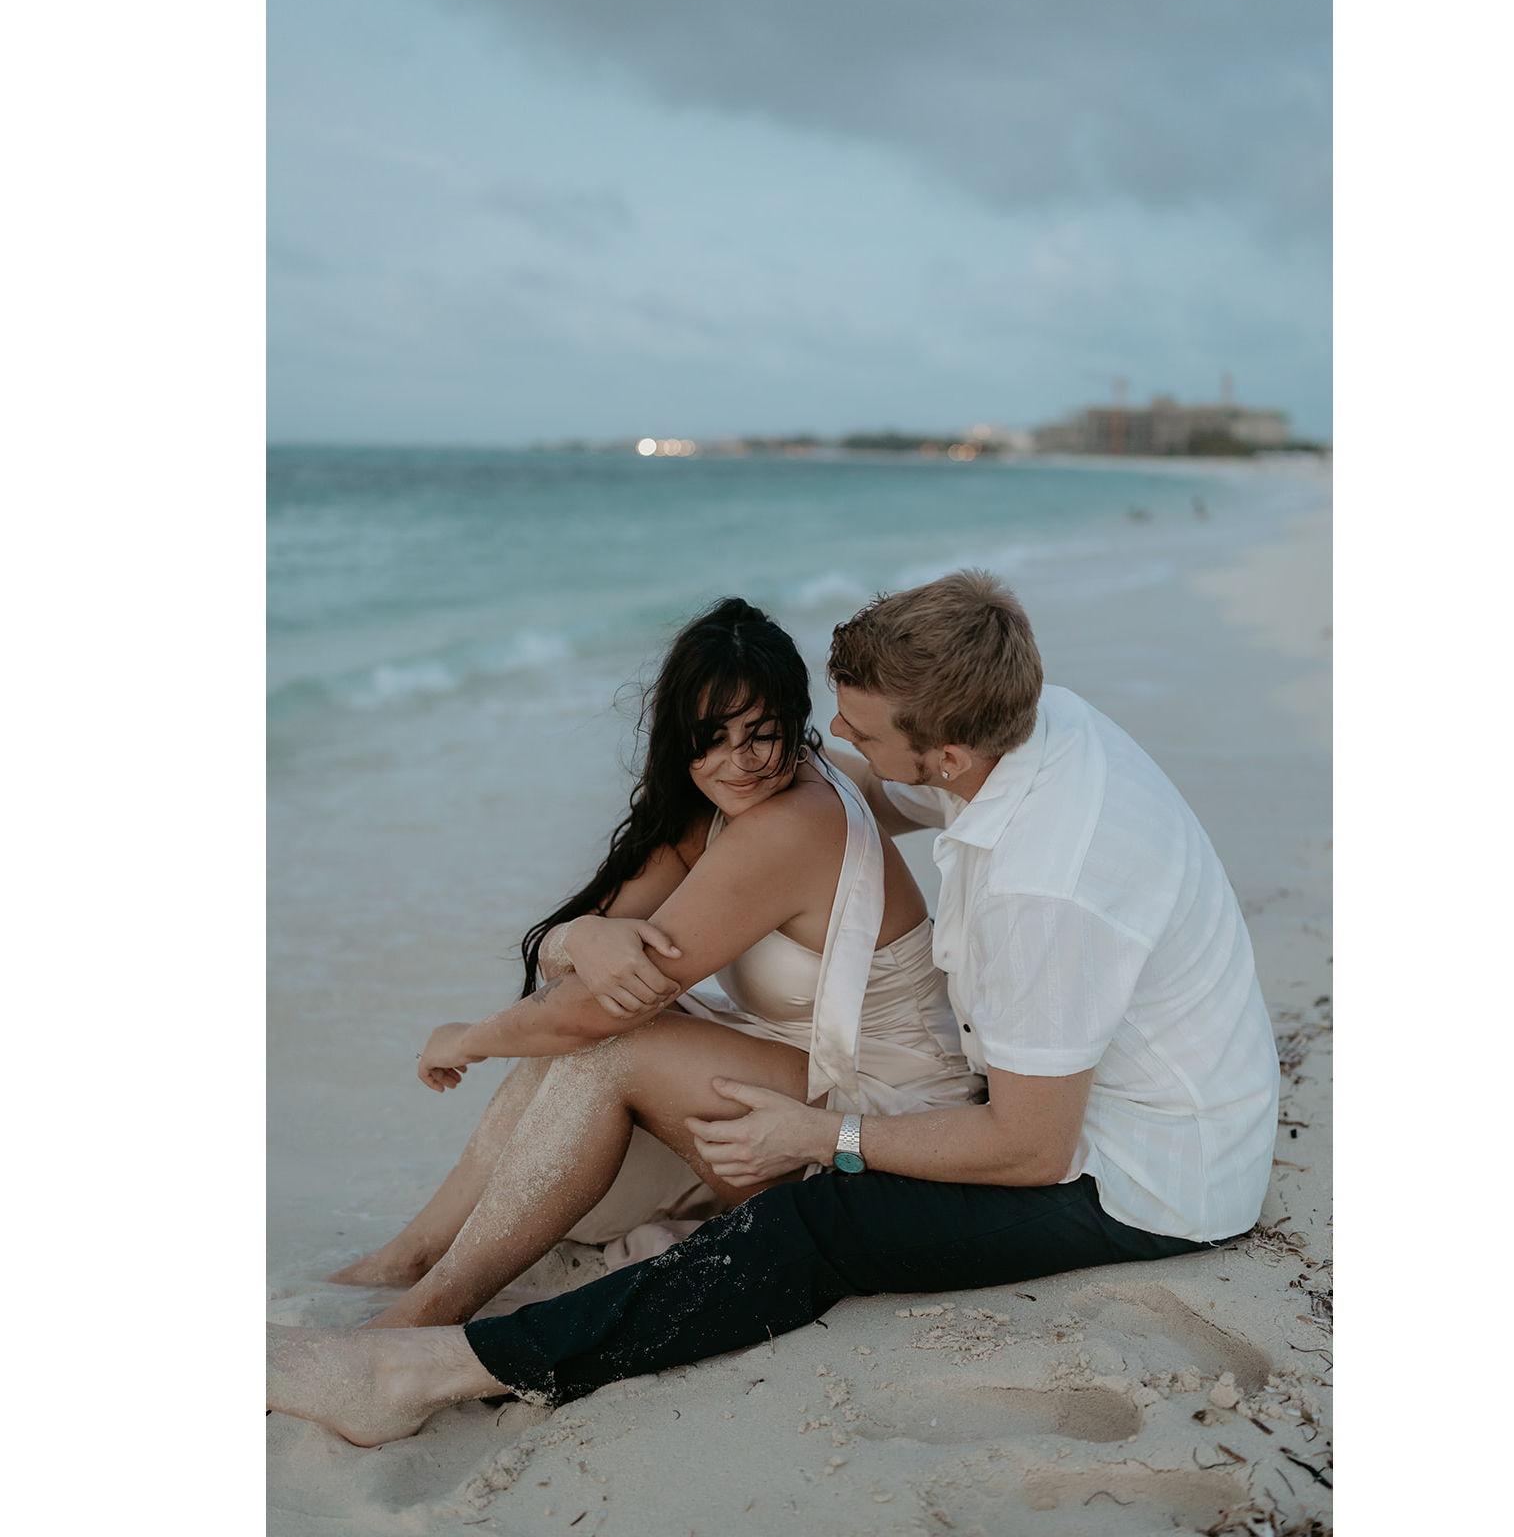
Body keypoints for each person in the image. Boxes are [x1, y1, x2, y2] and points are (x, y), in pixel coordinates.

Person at [268, 571, 1281, 1446]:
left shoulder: (1043, 881)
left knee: (810, 1224)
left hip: (1142, 1183)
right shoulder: (1023, 723)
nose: (829, 738)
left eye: (860, 726)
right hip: (1111, 1103)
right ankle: (417, 1274)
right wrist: (594, 925)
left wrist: (823, 1132)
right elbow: (815, 806)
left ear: (948, 752)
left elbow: (1030, 1149)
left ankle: (424, 1368)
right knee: (733, 1129)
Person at [325, 596, 981, 1330]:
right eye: (712, 738)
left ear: (796, 727)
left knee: (610, 1043)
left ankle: (421, 1317)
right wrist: (579, 938)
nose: (737, 763)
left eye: (761, 735)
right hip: (814, 1076)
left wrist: (466, 1039)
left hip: (891, 1127)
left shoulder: (791, 823)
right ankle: (411, 1257)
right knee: (585, 1035)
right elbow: (580, 962)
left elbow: (593, 1011)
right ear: (680, 736)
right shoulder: (722, 810)